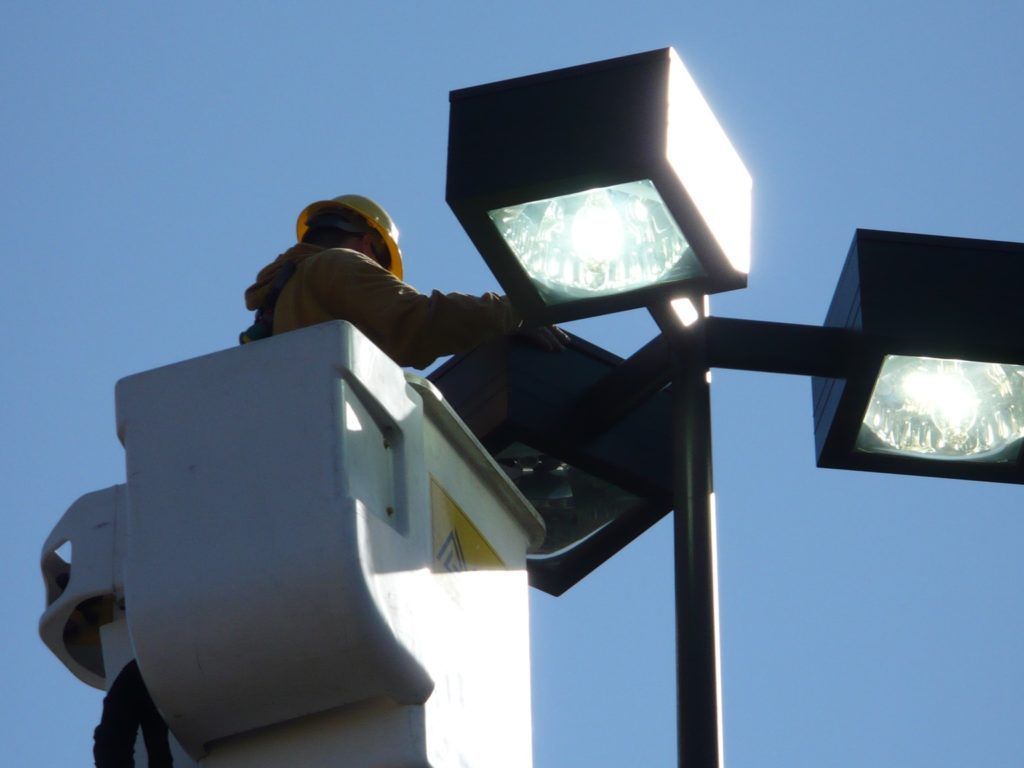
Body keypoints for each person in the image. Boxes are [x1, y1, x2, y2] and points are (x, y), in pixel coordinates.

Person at [242, 194, 567, 365]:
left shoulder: (286, 299)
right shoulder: (338, 264)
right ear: (369, 244)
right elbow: (415, 321)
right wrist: (514, 311)